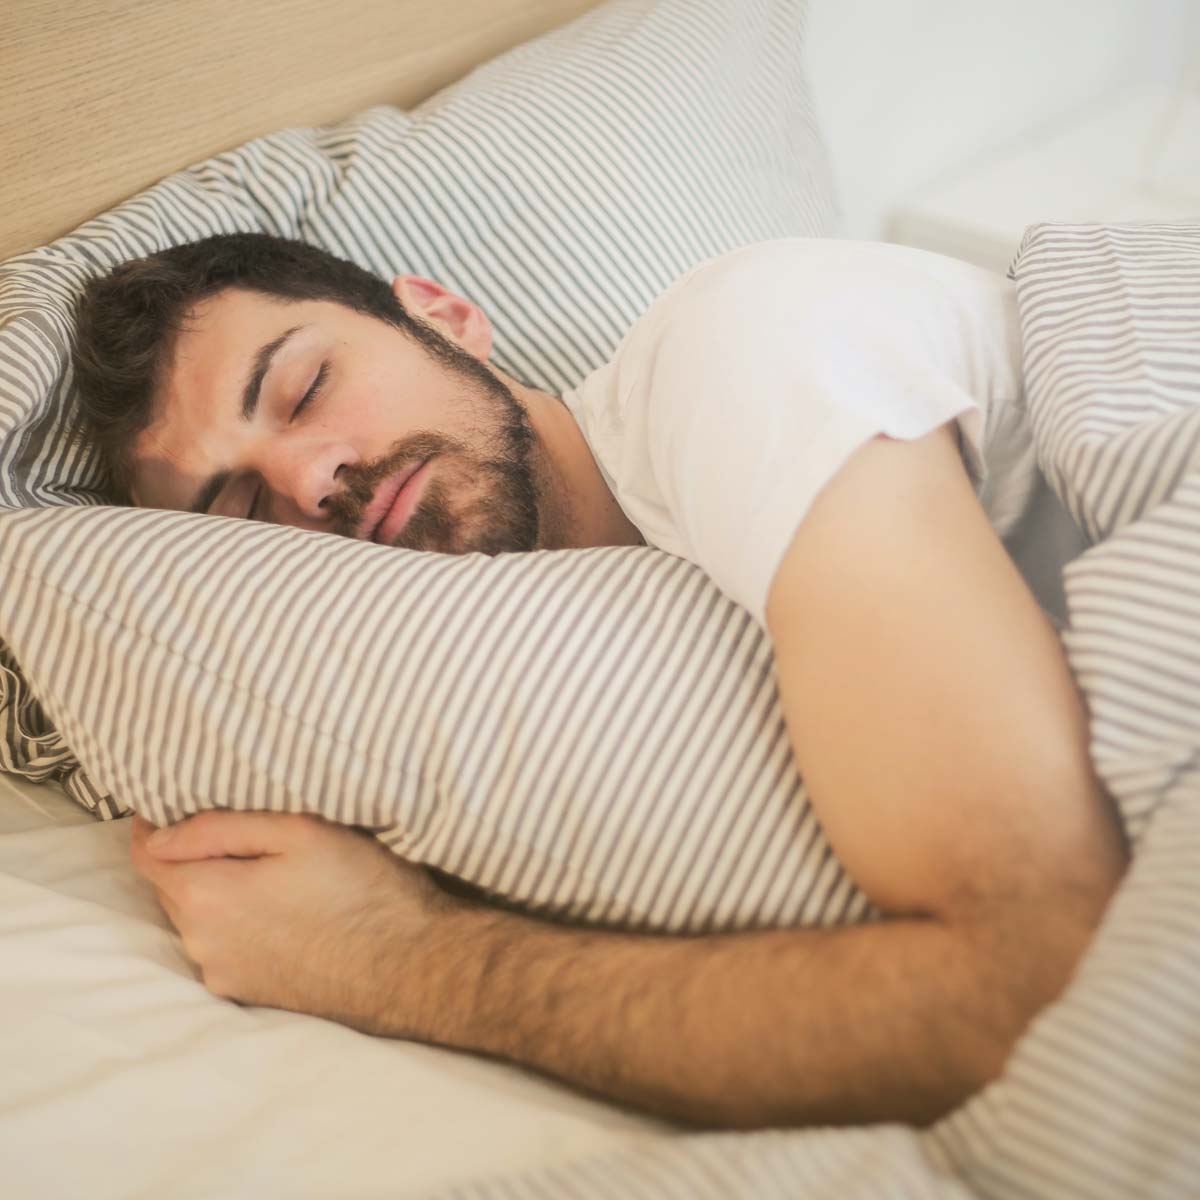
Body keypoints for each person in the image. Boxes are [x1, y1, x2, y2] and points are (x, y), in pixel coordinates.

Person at [71, 232, 1128, 1130]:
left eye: (304, 387)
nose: (309, 480)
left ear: (441, 315)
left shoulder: (740, 354)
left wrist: (389, 958)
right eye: (244, 511)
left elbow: (1042, 986)